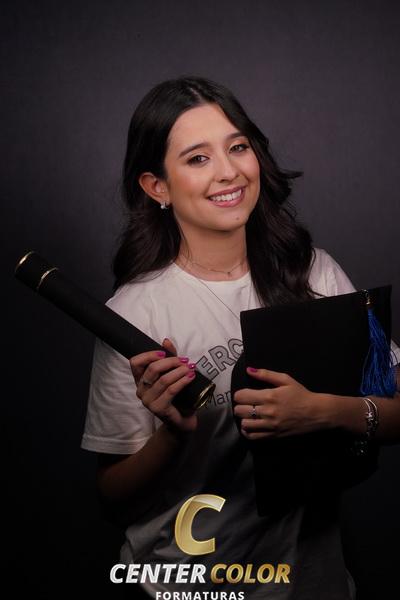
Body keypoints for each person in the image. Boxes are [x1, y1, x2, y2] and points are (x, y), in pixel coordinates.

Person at [81, 76, 400, 599]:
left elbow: (397, 409)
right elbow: (113, 500)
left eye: (237, 147)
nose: (228, 171)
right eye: (197, 158)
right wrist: (173, 434)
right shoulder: (135, 313)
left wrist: (321, 411)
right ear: (157, 187)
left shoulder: (315, 273)